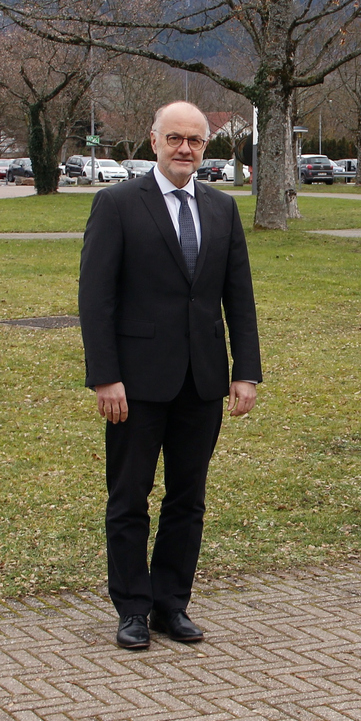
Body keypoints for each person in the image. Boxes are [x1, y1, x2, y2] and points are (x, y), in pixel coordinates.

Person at [78, 100, 262, 650]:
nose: (186, 148)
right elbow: (96, 298)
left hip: (202, 382)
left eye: (196, 140)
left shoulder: (222, 209)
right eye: (175, 138)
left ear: (207, 147)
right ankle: (132, 608)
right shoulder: (116, 204)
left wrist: (244, 371)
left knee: (188, 498)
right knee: (129, 496)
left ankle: (169, 605)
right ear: (153, 140)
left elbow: (239, 298)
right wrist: (105, 376)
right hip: (133, 384)